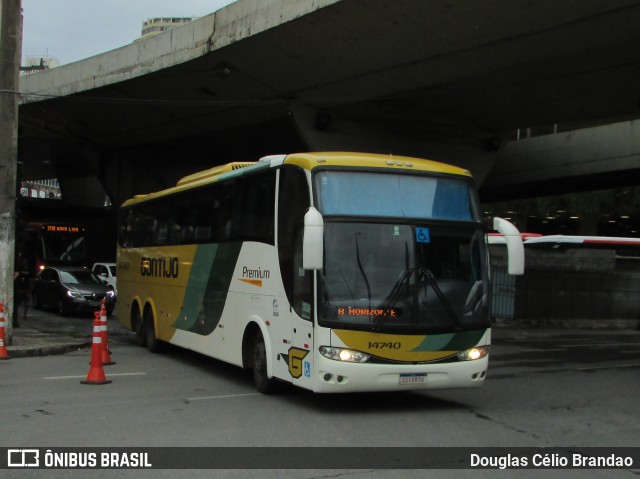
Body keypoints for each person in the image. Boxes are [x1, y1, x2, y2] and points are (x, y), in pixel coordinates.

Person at [13, 258, 32, 328]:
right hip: (20, 288)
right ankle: (15, 315)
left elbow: (30, 279)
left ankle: (25, 315)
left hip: (26, 288)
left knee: (26, 303)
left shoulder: (29, 270)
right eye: (24, 261)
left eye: (26, 261)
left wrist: (30, 289)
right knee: (18, 302)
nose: (25, 262)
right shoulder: (20, 269)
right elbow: (16, 276)